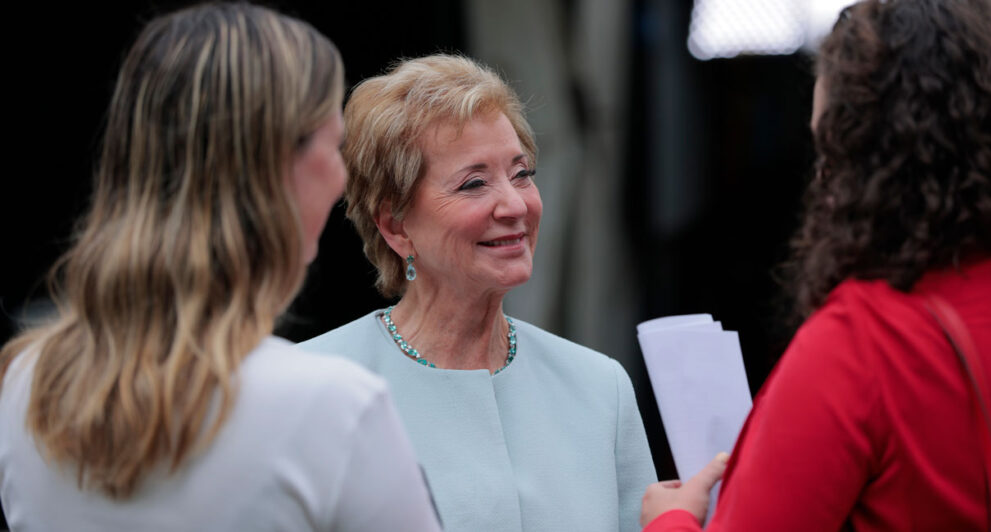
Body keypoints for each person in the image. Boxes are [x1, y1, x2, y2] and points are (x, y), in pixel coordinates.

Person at [0, 4, 440, 531]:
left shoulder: (27, 383)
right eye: (334, 144)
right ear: (279, 168)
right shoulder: (334, 409)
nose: (342, 180)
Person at [640, 0, 991, 530]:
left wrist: (673, 520)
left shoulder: (862, 344)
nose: (819, 180)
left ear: (869, 166)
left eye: (828, 150)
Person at [300, 53, 656, 532]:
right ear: (395, 226)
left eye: (521, 173)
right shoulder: (315, 390)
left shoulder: (600, 388)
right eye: (474, 183)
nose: (514, 205)